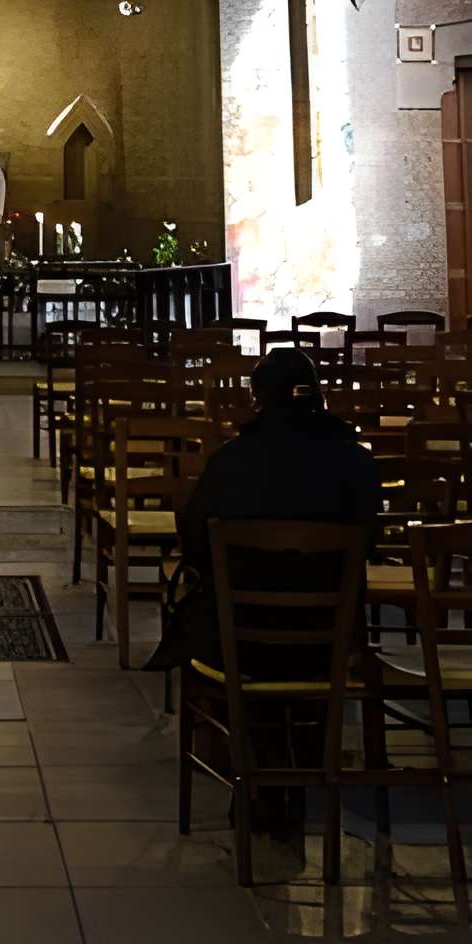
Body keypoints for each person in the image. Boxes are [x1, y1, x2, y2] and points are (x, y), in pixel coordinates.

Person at [156, 347, 378, 833]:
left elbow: (194, 545)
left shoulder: (231, 462)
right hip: (327, 641)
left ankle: (254, 766)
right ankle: (296, 760)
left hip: (241, 642)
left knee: (207, 619)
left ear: (258, 399)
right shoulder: (355, 461)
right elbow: (371, 544)